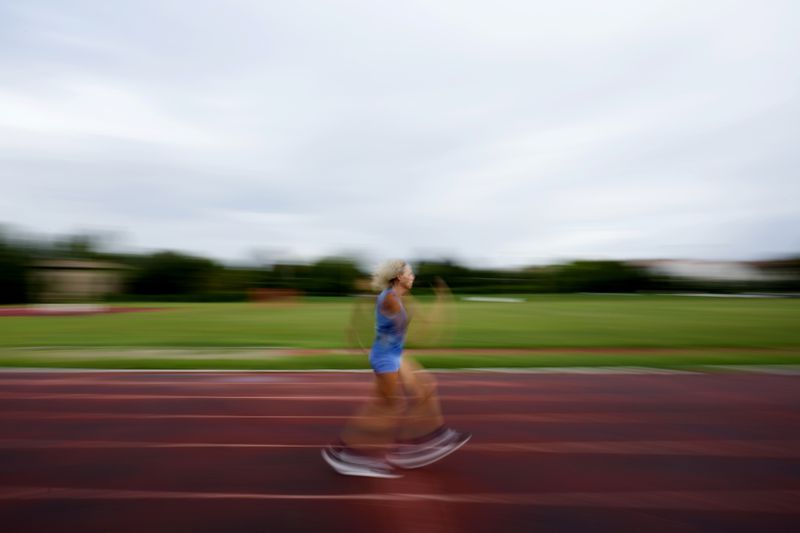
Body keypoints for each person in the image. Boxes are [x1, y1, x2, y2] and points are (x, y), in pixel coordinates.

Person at [322, 260, 470, 478]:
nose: (413, 277)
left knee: (426, 386)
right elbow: (419, 332)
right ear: (399, 277)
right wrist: (439, 304)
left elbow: (416, 327)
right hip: (386, 358)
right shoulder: (391, 299)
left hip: (395, 353)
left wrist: (440, 301)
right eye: (410, 273)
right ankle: (343, 452)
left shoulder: (398, 296)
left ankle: (430, 438)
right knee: (389, 406)